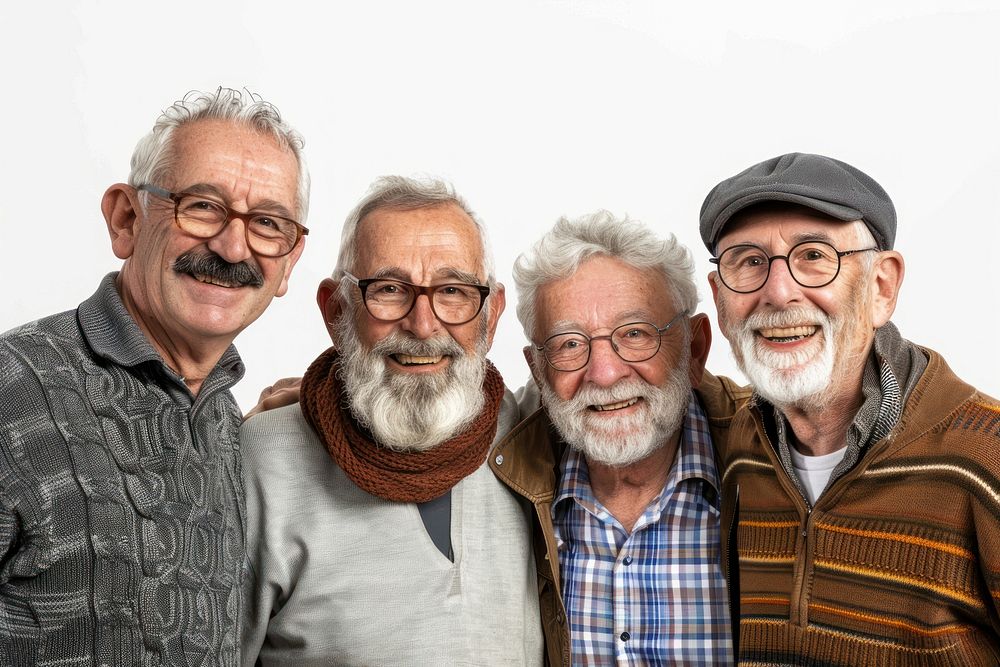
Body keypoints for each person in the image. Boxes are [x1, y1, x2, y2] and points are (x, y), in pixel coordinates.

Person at [0, 88, 309, 665]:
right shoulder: (11, 389)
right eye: (202, 205)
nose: (232, 244)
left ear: (288, 263)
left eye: (268, 223)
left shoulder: (222, 420)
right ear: (126, 219)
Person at [701, 152, 1000, 664]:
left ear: (882, 286)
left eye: (814, 255)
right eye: (748, 262)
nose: (778, 292)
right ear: (720, 300)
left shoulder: (984, 458)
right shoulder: (736, 448)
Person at [241, 176, 544, 666]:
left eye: (453, 291)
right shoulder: (262, 462)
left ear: (491, 314)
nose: (423, 324)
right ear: (336, 309)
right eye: (388, 289)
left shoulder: (534, 437)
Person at [489, 212, 743, 665]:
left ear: (695, 348)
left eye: (635, 334)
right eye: (569, 344)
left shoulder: (770, 459)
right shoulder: (507, 480)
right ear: (539, 372)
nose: (604, 374)